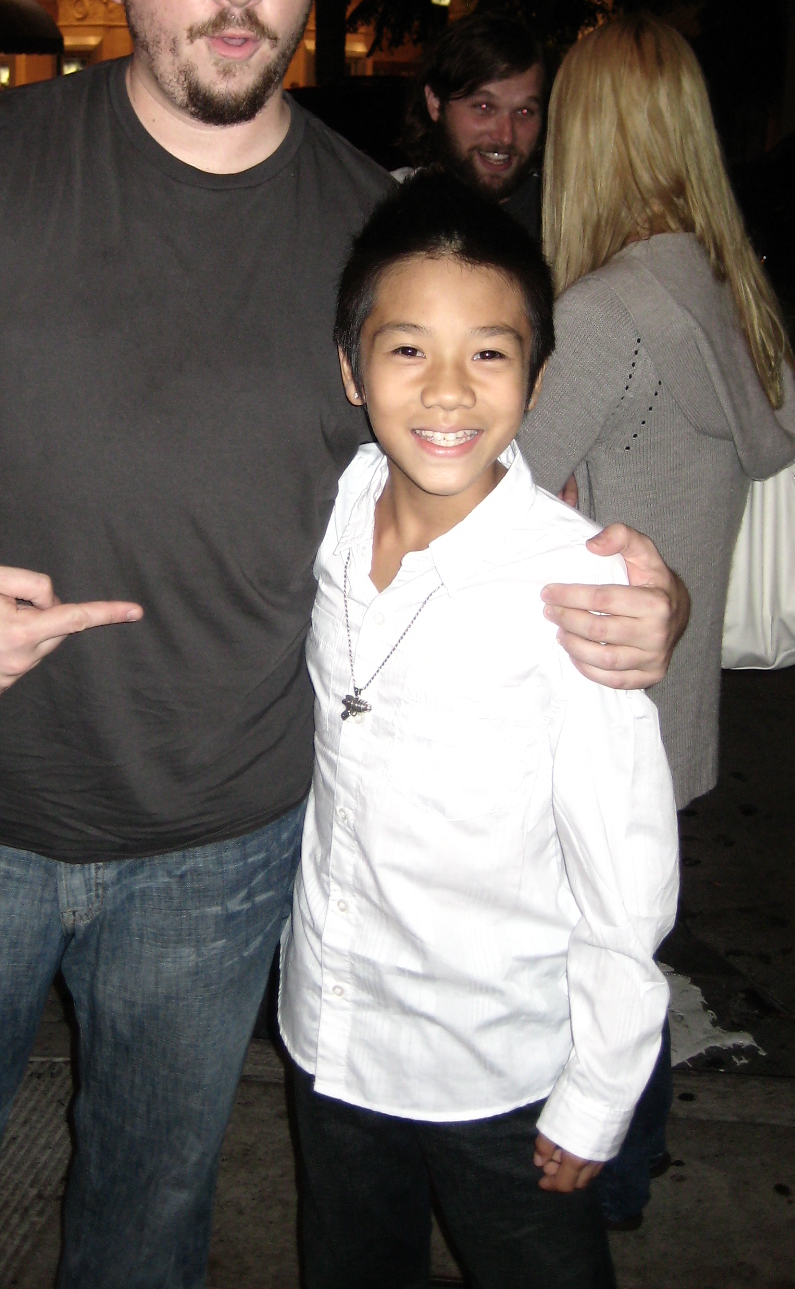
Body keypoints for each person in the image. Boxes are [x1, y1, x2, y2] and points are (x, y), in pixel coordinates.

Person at [0, 0, 688, 1289]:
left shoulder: (370, 233)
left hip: (229, 859)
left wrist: (635, 592)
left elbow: (486, 487)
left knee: (147, 1236)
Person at [280, 171, 680, 1289]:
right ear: (352, 370)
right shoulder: (339, 504)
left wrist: (601, 1087)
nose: (447, 390)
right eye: (407, 350)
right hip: (337, 1033)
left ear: (538, 378)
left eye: (490, 353)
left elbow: (625, 860)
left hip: (500, 1068)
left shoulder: (573, 587)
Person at [518, 13, 795, 1227]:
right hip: (671, 715)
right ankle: (624, 1175)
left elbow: (479, 489)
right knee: (625, 956)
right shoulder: (727, 284)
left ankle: (588, 1201)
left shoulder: (604, 314)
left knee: (572, 986)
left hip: (587, 708)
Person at [398, 11, 546, 240]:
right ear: (435, 103)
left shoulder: (567, 223)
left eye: (524, 112)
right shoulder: (385, 209)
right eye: (484, 107)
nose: (505, 136)